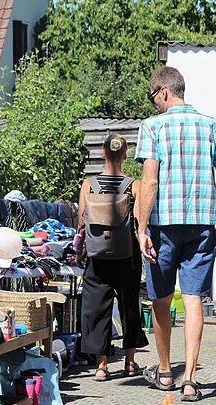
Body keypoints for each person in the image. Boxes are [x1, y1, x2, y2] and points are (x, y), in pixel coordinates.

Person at [136, 66, 216, 401]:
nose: (154, 105)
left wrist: (141, 227)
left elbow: (149, 181)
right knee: (193, 300)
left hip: (163, 225)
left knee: (160, 299)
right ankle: (190, 379)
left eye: (154, 98)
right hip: (202, 225)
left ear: (164, 91)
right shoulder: (212, 127)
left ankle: (165, 372)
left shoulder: (152, 127)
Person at [78, 133, 149, 382]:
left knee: (97, 307)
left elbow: (81, 222)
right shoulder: (134, 185)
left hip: (97, 254)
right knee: (129, 305)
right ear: (126, 155)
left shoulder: (89, 185)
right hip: (126, 253)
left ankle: (101, 365)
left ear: (102, 153)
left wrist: (79, 251)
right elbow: (139, 222)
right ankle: (130, 363)